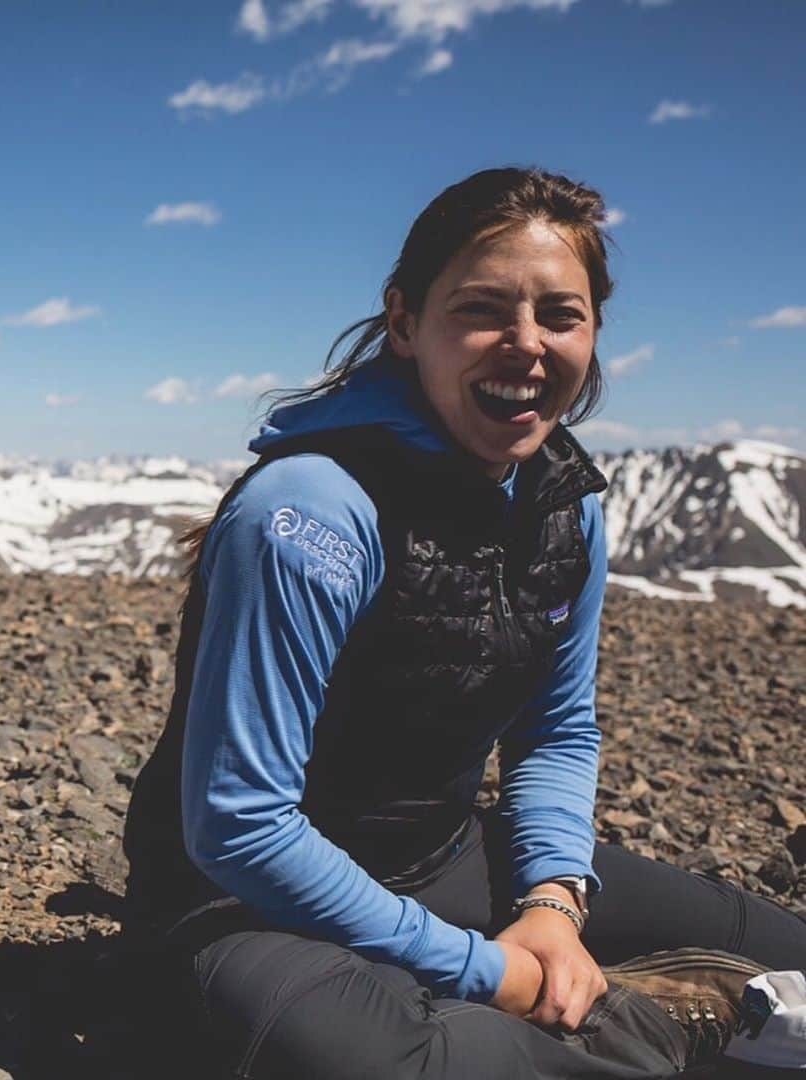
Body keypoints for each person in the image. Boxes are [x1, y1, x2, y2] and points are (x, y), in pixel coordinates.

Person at [122, 167, 806, 1078]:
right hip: (241, 908)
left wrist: (553, 902)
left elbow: (556, 731)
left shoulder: (566, 503)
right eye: (482, 309)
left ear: (594, 331)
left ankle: (633, 1013)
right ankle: (668, 1028)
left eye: (561, 314)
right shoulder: (310, 512)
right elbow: (243, 825)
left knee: (783, 947)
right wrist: (493, 971)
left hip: (441, 860)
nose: (525, 345)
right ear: (404, 323)